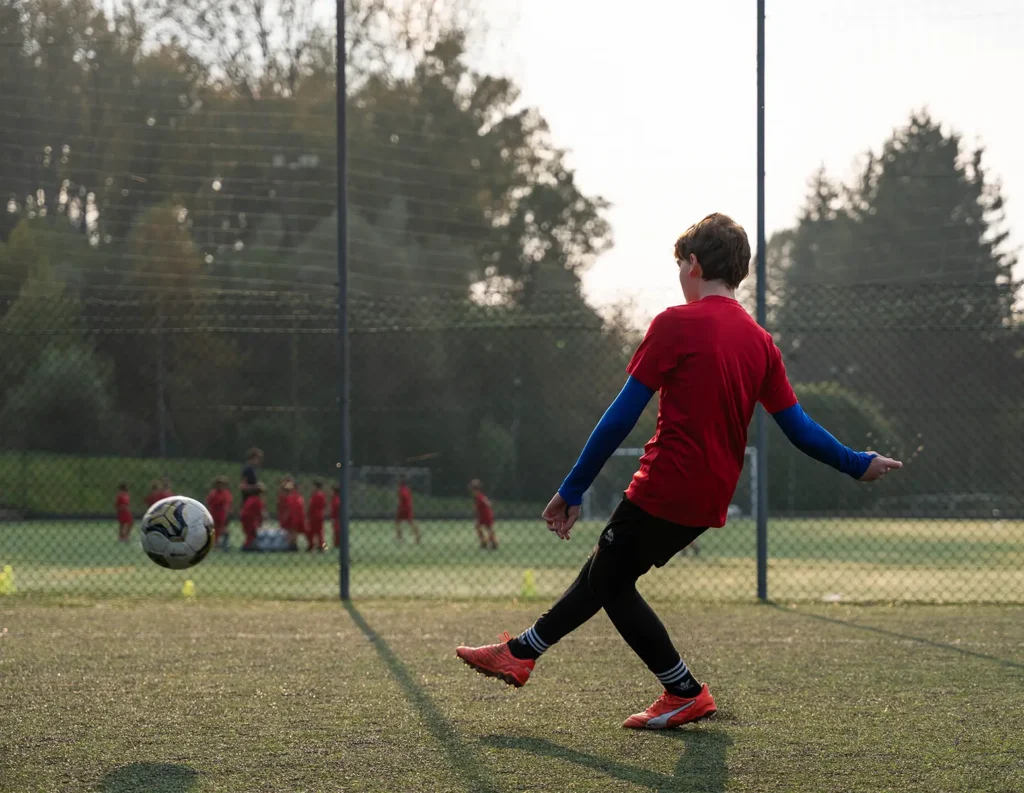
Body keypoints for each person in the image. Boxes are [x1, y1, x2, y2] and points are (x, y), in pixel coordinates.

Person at [455, 213, 903, 729]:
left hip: (667, 482)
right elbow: (798, 427)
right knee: (608, 567)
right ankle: (521, 652)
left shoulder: (675, 324)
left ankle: (682, 690)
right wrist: (856, 463)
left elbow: (620, 417)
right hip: (709, 496)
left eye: (679, 265)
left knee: (611, 579)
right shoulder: (761, 342)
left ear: (693, 264)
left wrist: (572, 487)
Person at [239, 448, 264, 551]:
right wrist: (257, 488)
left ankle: (250, 543)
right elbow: (243, 485)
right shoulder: (248, 469)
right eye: (258, 459)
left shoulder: (252, 469)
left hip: (253, 499)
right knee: (250, 524)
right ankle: (249, 544)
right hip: (249, 499)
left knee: (253, 525)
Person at [469, 479, 498, 550]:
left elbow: (486, 503)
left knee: (488, 529)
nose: (472, 491)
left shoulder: (479, 496)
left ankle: (491, 542)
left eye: (472, 489)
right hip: (483, 515)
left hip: (486, 515)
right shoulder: (478, 496)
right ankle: (487, 542)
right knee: (481, 527)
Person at [206, 476, 234, 550]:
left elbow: (228, 504)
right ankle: (215, 543)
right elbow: (209, 502)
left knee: (222, 529)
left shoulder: (226, 493)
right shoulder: (213, 493)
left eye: (222, 484)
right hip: (214, 514)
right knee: (214, 530)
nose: (221, 486)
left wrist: (229, 513)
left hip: (222, 515)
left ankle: (221, 544)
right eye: (219, 484)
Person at [240, 482, 266, 551]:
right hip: (249, 518)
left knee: (249, 533)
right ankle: (247, 546)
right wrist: (263, 520)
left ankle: (248, 545)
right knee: (251, 533)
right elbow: (261, 512)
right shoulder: (257, 500)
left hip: (245, 517)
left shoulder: (250, 498)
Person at [395, 477, 420, 544]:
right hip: (408, 507)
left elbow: (402, 499)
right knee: (409, 522)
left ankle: (400, 537)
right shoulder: (407, 489)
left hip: (403, 508)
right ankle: (416, 536)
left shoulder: (401, 490)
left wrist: (399, 506)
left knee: (399, 522)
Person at [285, 480, 306, 552]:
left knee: (293, 532)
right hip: (295, 517)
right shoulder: (297, 497)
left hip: (294, 516)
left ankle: (292, 545)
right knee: (293, 532)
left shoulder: (293, 496)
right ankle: (292, 545)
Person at [307, 479, 327, 552]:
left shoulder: (315, 495)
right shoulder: (323, 494)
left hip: (314, 515)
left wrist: (308, 513)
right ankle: (322, 546)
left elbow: (311, 505)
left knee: (311, 531)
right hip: (320, 514)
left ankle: (311, 546)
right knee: (320, 532)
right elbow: (324, 504)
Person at [330, 484, 342, 548]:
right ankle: (337, 543)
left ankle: (337, 543)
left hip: (337, 518)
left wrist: (333, 518)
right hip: (337, 518)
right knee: (336, 531)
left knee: (337, 531)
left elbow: (335, 508)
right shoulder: (335, 498)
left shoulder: (336, 498)